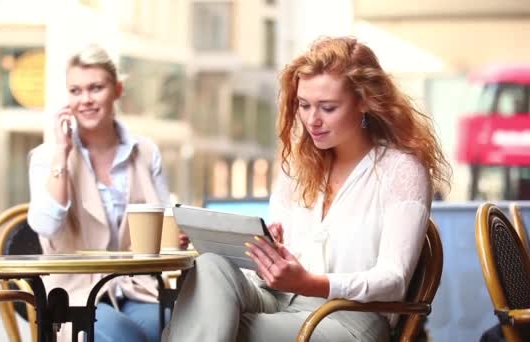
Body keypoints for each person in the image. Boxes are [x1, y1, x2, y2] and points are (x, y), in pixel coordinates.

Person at [162, 36, 451, 342]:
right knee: (210, 266)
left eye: (328, 107)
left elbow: (392, 281)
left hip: (348, 319)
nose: (312, 120)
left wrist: (310, 282)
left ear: (364, 101)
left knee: (202, 328)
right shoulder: (298, 167)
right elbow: (275, 270)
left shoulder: (401, 170)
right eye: (304, 105)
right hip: (278, 299)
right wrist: (259, 253)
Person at [27, 45, 187, 342]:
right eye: (75, 91)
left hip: (137, 288)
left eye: (96, 88)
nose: (85, 99)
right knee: (124, 337)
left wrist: (176, 235)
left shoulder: (146, 152)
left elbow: (165, 221)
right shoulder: (46, 156)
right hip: (74, 295)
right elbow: (46, 226)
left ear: (117, 90)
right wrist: (62, 154)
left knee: (174, 329)